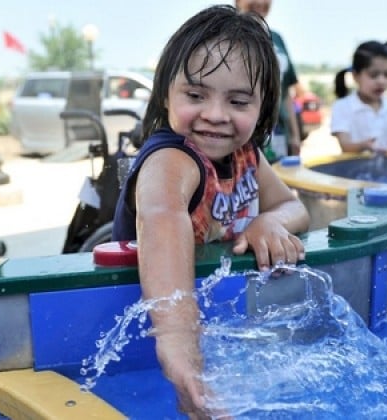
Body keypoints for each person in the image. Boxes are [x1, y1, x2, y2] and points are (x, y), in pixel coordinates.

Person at [111, 5, 310, 418]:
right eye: (196, 95)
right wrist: (177, 343)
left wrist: (266, 222)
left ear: (262, 107)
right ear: (166, 93)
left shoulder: (248, 155)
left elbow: (293, 205)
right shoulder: (172, 157)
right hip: (140, 325)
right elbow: (163, 216)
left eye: (238, 101)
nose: (216, 115)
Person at [235, 0, 303, 162]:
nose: (260, 2)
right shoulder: (227, 37)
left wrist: (294, 135)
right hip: (243, 133)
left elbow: (285, 92)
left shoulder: (277, 39)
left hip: (277, 134)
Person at [330, 40, 387, 153]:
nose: (381, 81)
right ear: (355, 75)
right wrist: (363, 146)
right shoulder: (343, 107)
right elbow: (345, 145)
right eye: (373, 75)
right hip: (354, 168)